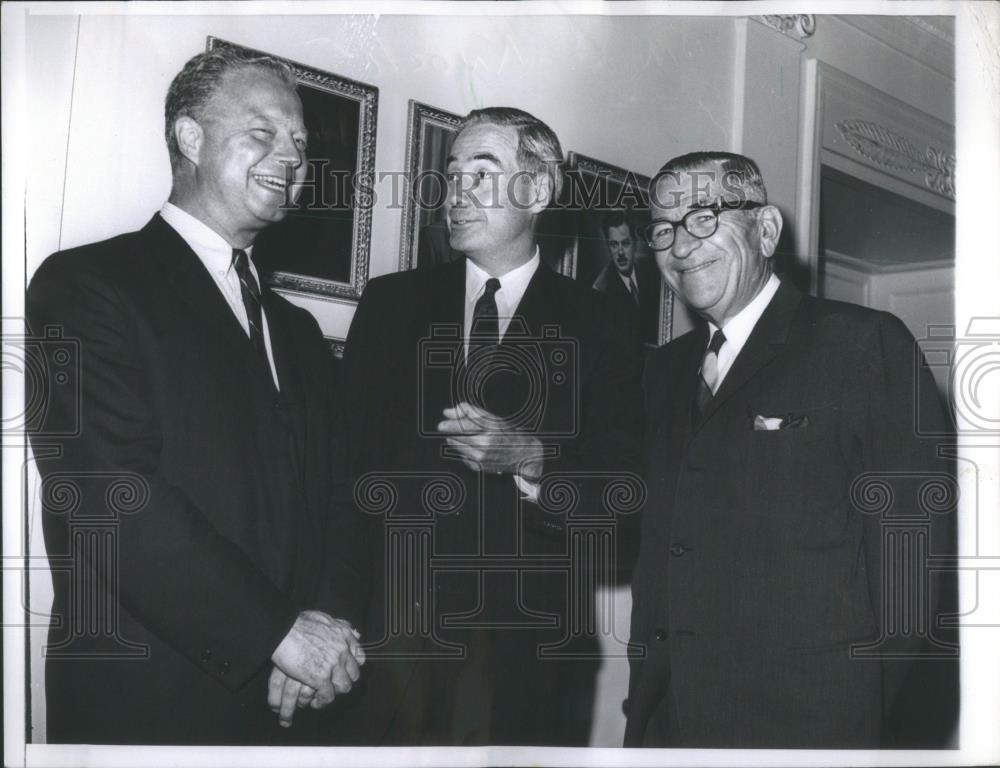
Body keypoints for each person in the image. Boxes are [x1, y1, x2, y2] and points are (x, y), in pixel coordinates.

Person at [26, 47, 367, 745]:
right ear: (189, 137)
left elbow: (343, 494)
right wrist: (277, 634)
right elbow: (112, 494)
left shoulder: (299, 332)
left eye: (299, 143)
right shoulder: (87, 287)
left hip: (291, 705)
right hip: (150, 706)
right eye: (263, 133)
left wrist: (321, 634)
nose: (291, 158)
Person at [625, 151, 958, 748]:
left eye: (704, 217)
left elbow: (911, 567)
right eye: (662, 229)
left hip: (808, 726)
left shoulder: (862, 345)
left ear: (767, 229)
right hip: (668, 724)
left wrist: (858, 719)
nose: (680, 246)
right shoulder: (664, 372)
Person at [338, 107, 643, 745]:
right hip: (386, 644)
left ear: (537, 191)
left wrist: (534, 458)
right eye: (450, 176)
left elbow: (625, 495)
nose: (456, 195)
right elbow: (342, 476)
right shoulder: (390, 304)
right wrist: (328, 617)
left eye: (482, 174)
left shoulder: (603, 324)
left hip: (525, 657)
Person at [592, 210, 662, 345]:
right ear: (608, 247)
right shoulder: (601, 288)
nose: (620, 252)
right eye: (613, 244)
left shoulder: (651, 270)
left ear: (635, 243)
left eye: (625, 243)